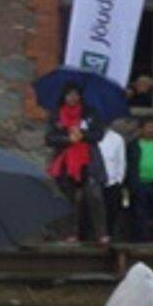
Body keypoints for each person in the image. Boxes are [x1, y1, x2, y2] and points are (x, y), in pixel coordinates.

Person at [45, 84, 107, 244]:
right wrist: (67, 139)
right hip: (66, 162)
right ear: (64, 97)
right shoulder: (56, 116)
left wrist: (83, 135)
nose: (72, 98)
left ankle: (101, 233)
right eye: (69, 95)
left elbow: (98, 134)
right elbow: (49, 138)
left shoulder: (90, 114)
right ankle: (70, 233)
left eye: (75, 95)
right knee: (68, 198)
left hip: (87, 160)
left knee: (94, 196)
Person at [97, 123, 128, 244]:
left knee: (111, 210)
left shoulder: (117, 138)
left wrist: (119, 180)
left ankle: (109, 235)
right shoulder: (90, 136)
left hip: (112, 181)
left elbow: (121, 161)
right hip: (94, 181)